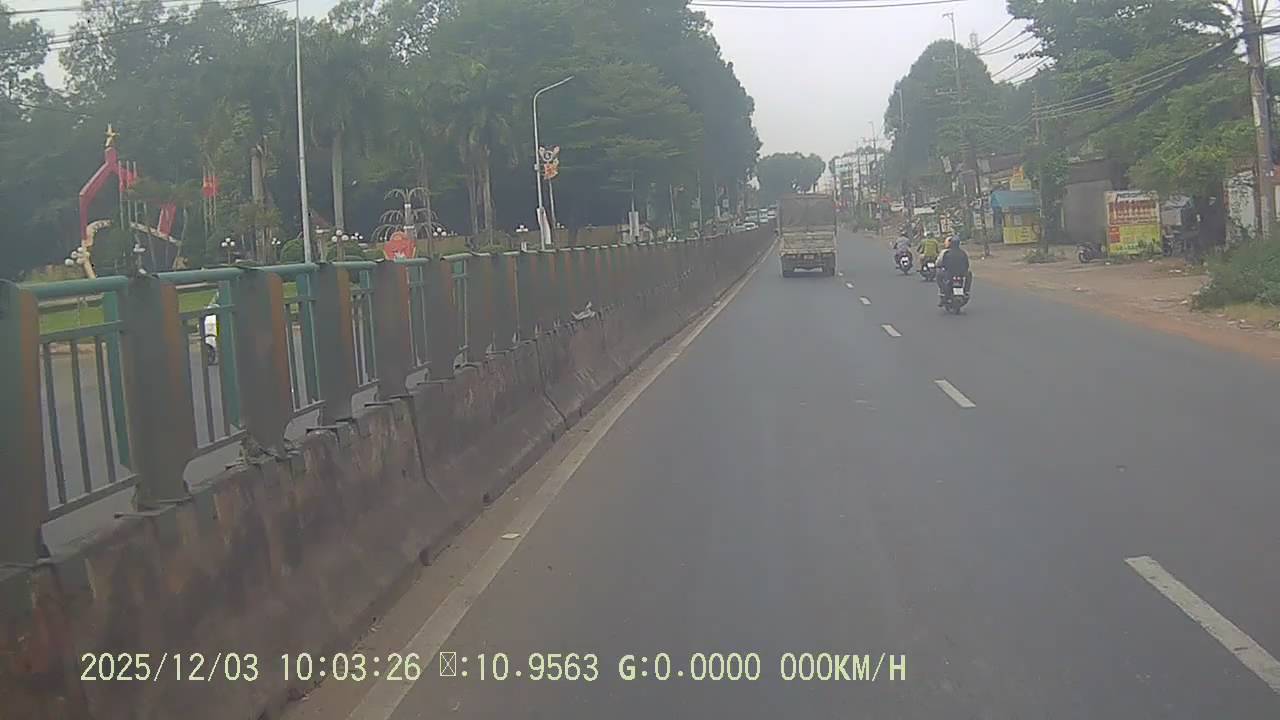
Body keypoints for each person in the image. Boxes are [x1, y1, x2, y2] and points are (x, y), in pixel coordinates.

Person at [936, 236, 972, 306]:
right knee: (969, 274)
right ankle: (966, 290)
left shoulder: (947, 253)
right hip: (961, 274)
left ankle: (943, 292)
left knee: (939, 275)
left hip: (950, 274)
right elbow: (967, 264)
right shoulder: (963, 253)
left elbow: (942, 264)